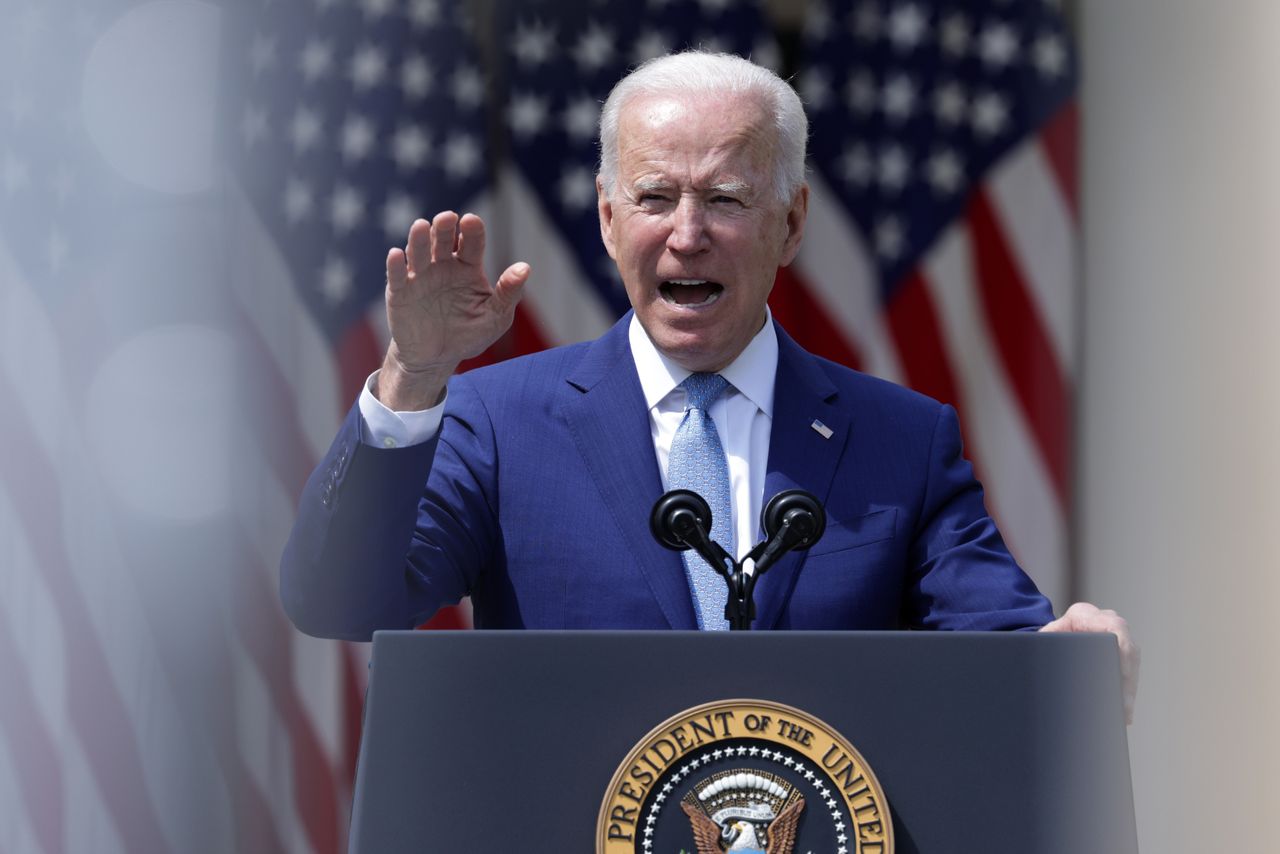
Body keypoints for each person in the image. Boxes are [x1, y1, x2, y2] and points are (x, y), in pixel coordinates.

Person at [280, 52, 1137, 720]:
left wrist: (1065, 655)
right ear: (610, 220)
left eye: (725, 198)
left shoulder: (900, 440)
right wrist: (414, 374)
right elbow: (339, 597)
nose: (687, 236)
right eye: (654, 197)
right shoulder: (497, 424)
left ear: (791, 222)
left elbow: (1003, 640)